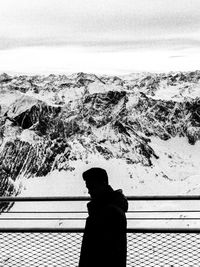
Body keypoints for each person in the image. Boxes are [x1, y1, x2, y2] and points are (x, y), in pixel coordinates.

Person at [79, 167, 128, 267]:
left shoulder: (108, 212)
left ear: (103, 184)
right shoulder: (109, 208)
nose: (89, 192)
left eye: (91, 187)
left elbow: (97, 251)